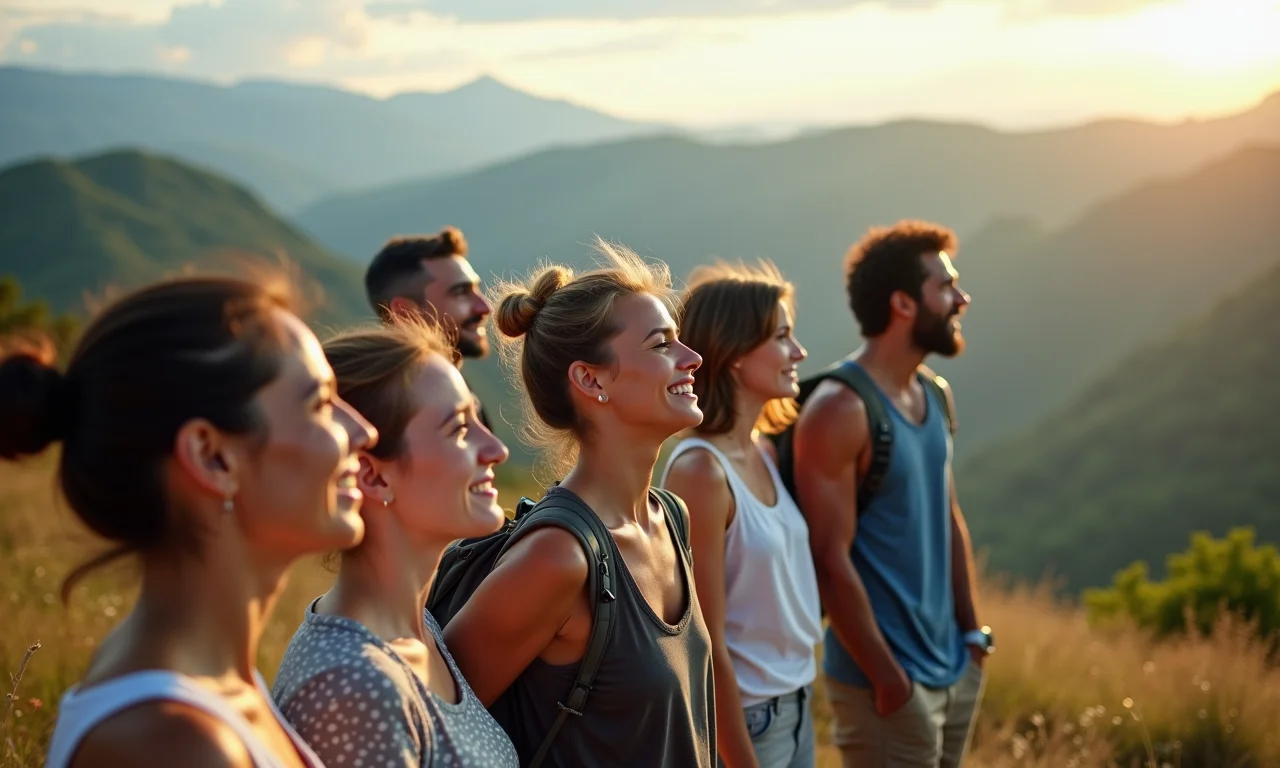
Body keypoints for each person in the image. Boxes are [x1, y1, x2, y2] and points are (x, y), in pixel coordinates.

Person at [2, 275, 378, 768]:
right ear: (211, 457)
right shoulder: (174, 742)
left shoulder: (206, 684)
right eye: (320, 402)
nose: (362, 431)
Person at [442, 240, 717, 767]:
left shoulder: (671, 519)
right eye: (662, 345)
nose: (692, 358)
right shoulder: (558, 558)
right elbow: (439, 720)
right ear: (591, 379)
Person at [271, 315, 519, 768]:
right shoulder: (351, 685)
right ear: (372, 475)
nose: (495, 450)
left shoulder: (421, 629)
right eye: (460, 429)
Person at [792, 221, 987, 768]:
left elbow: (947, 518)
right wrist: (888, 680)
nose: (961, 298)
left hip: (952, 664)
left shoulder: (934, 394)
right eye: (946, 286)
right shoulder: (839, 410)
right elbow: (829, 560)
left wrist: (973, 639)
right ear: (903, 303)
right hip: (886, 685)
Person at [661, 260, 823, 768]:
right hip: (752, 721)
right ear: (733, 355)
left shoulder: (763, 453)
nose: (798, 353)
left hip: (797, 705)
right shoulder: (700, 474)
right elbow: (703, 642)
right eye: (781, 337)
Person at [364, 226, 495, 428]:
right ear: (405, 313)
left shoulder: (456, 391)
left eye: (476, 289)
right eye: (461, 292)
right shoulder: (390, 416)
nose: (485, 307)